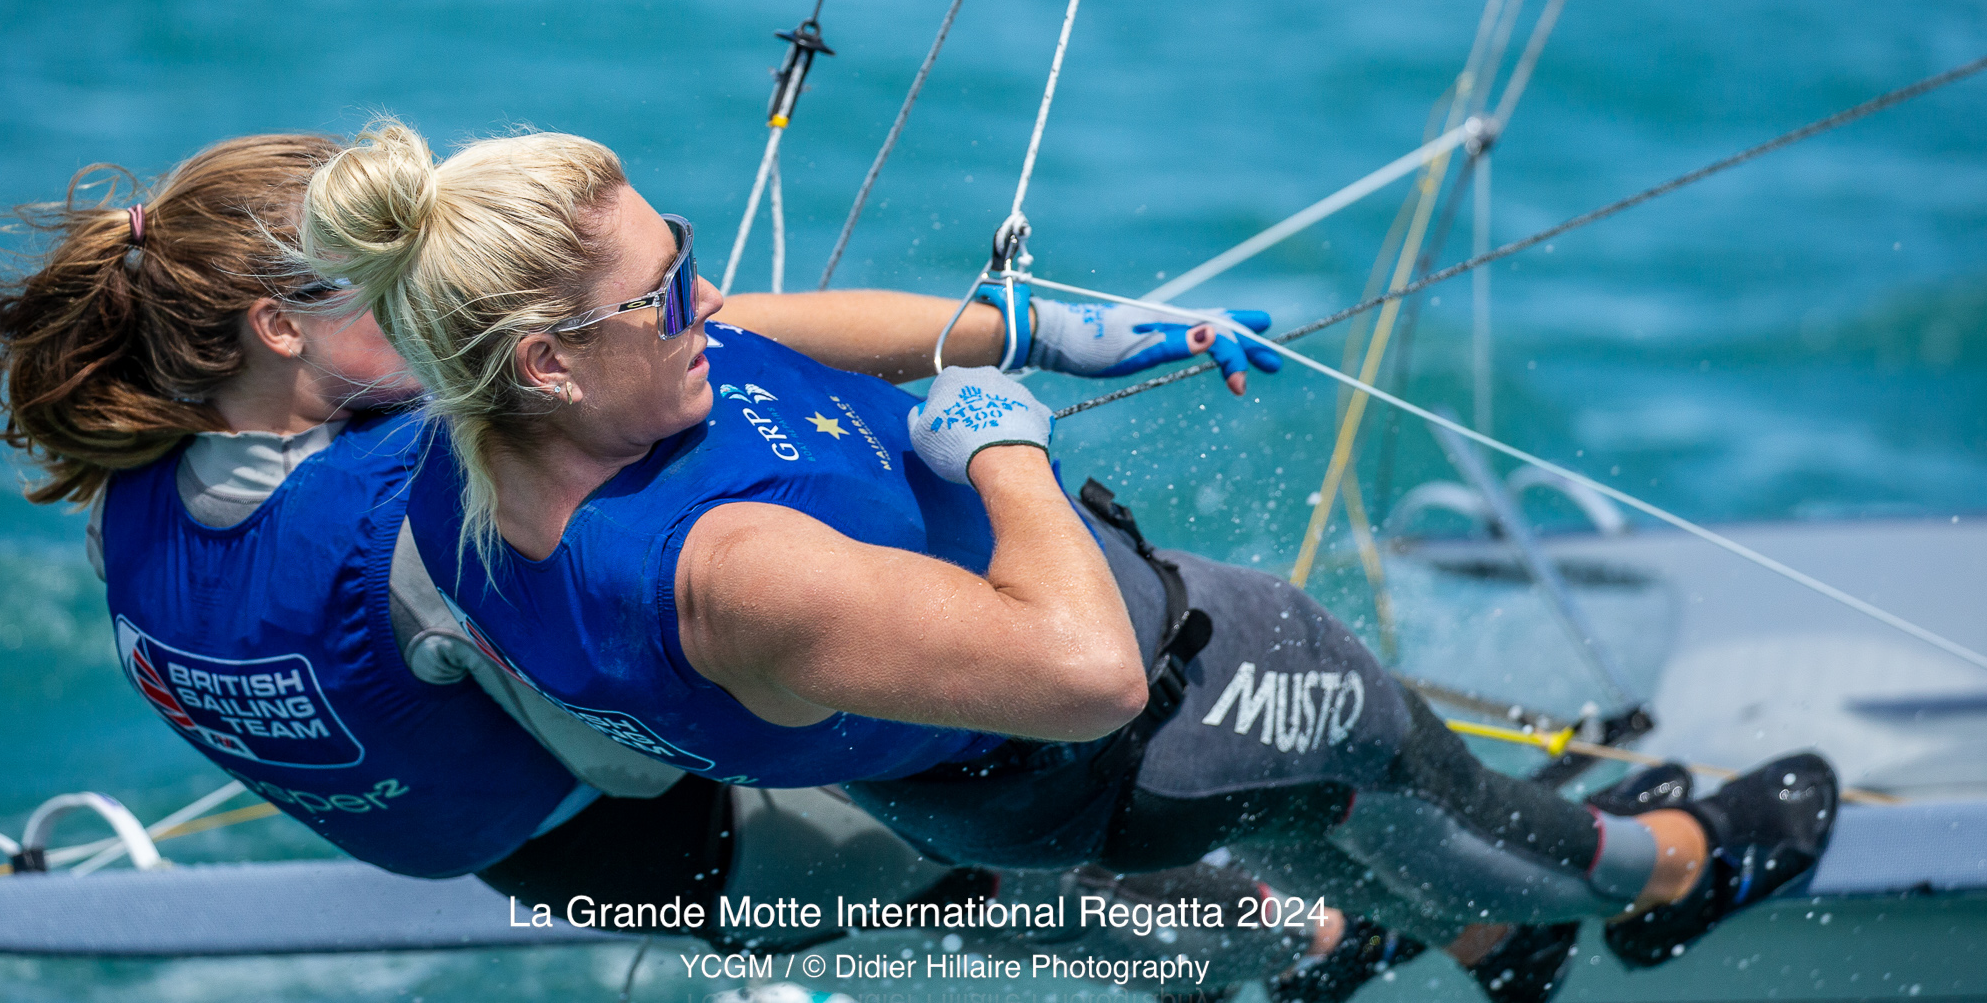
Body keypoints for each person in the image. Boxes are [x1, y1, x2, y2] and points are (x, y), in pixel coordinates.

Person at [300, 119, 1842, 1003]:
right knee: (1388, 761)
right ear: (548, 360)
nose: (705, 299)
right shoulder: (723, 567)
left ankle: (1491, 936)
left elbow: (775, 327)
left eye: (687, 253)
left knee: (1319, 803)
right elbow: (1084, 671)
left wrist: (1036, 326)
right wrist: (1003, 442)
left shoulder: (477, 443)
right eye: (666, 289)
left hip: (1045, 767)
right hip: (1127, 717)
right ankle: (1656, 880)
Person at [0, 132, 1329, 986]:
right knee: (977, 855)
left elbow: (729, 321)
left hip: (520, 851)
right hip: (681, 838)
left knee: (956, 875)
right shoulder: (414, 516)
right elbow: (630, 735)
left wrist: (1025, 327)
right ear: (281, 327)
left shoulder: (134, 492)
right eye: (390, 299)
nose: (432, 312)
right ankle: (1290, 945)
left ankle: (1256, 940)